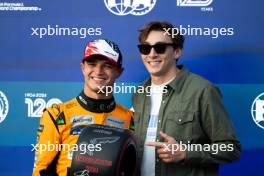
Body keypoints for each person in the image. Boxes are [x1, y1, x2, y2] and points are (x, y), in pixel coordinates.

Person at [132, 21, 241, 176]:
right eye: (145, 48)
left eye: (160, 47)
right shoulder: (139, 93)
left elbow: (231, 148)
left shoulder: (203, 90)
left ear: (177, 52)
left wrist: (185, 153)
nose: (152, 54)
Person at [32, 39, 134, 176]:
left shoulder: (130, 118)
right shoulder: (57, 115)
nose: (98, 71)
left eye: (107, 65)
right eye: (92, 64)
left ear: (119, 72)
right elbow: (41, 171)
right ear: (83, 67)